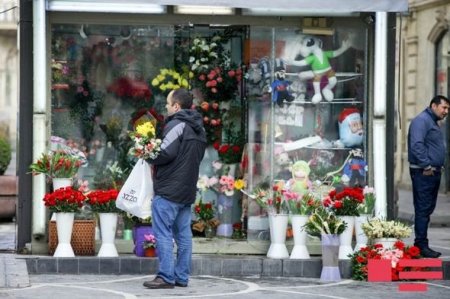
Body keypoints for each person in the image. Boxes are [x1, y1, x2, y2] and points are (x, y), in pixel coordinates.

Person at [143, 88, 207, 289]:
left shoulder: (176, 125)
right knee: (184, 235)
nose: (166, 107)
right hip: (187, 191)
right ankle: (181, 277)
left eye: (168, 104)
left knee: (163, 233)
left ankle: (166, 276)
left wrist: (147, 153)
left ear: (177, 106)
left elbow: (164, 153)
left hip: (169, 190)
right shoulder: (199, 129)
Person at [408, 95, 450, 258]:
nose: (446, 111)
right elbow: (416, 144)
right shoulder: (422, 120)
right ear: (433, 105)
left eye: (447, 109)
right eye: (444, 108)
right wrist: (426, 165)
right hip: (423, 172)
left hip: (431, 171)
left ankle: (421, 243)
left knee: (427, 208)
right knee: (423, 208)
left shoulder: (431, 122)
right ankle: (421, 245)